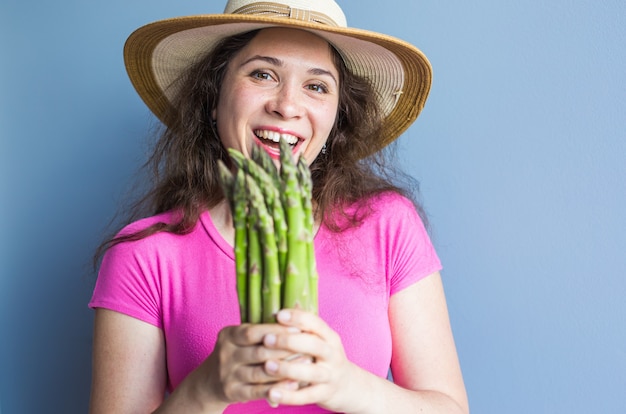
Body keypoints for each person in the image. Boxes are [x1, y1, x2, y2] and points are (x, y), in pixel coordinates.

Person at [88, 0, 469, 413]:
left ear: (337, 116)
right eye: (262, 74)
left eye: (317, 86)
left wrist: (345, 384)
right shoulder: (143, 255)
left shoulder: (388, 225)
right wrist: (205, 390)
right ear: (213, 98)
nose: (287, 105)